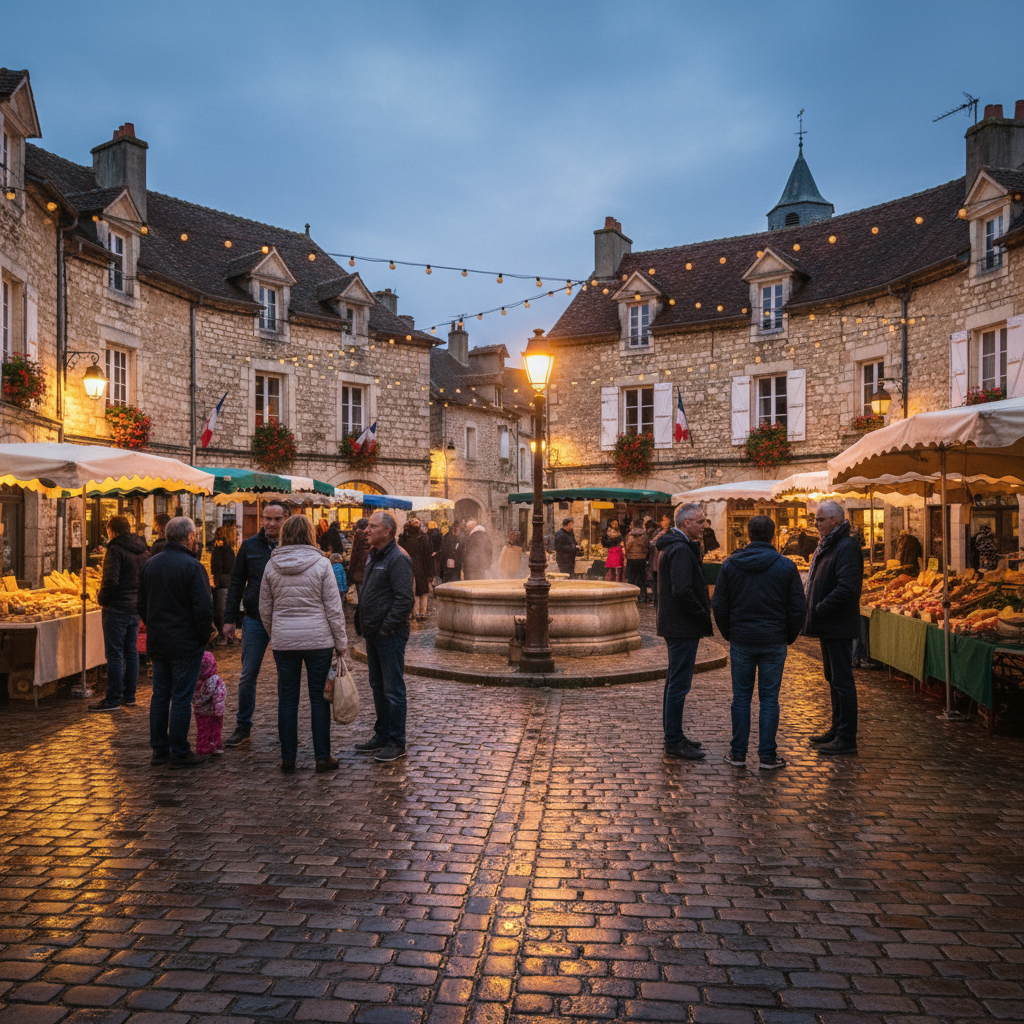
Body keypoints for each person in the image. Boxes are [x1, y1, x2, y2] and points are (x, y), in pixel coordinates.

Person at [712, 515, 807, 770]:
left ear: (748, 535)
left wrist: (729, 633)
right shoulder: (786, 566)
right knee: (769, 699)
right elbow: (798, 607)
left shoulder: (731, 565)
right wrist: (788, 635)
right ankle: (767, 755)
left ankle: (738, 753)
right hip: (773, 639)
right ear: (773, 536)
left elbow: (719, 604)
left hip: (743, 639)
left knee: (741, 698)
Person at [259, 514, 349, 773]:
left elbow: (265, 607)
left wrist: (276, 632)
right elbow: (334, 609)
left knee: (287, 699)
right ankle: (322, 757)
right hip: (318, 641)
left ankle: (288, 758)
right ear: (311, 534)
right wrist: (341, 643)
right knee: (319, 699)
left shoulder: (271, 565)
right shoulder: (322, 565)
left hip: (284, 641)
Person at [138, 516, 214, 768]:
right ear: (190, 537)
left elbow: (141, 604)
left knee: (160, 695)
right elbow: (203, 608)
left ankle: (159, 750)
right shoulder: (192, 566)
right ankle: (179, 751)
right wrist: (203, 636)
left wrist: (154, 626)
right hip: (185, 642)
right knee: (181, 696)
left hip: (159, 640)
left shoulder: (151, 565)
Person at [223, 500, 288, 747]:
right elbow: (236, 582)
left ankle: (286, 729)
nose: (271, 523)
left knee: (286, 677)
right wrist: (229, 619)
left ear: (285, 520)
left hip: (285, 620)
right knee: (248, 674)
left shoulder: (293, 546)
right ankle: (243, 726)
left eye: (276, 519)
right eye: (267, 518)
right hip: (255, 618)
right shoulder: (249, 546)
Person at [803, 499, 863, 756]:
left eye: (820, 520)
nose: (816, 525)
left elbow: (847, 588)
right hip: (828, 625)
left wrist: (820, 607)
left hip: (837, 624)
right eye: (816, 520)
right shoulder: (829, 544)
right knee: (833, 678)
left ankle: (847, 736)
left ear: (835, 521)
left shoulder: (846, 546)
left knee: (842, 680)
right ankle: (837, 728)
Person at [356, 511, 415, 762]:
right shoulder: (374, 555)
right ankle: (381, 735)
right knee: (378, 686)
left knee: (393, 689)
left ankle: (396, 741)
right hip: (374, 633)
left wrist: (386, 626)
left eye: (372, 526)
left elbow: (405, 600)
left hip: (389, 634)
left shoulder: (397, 558)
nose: (366, 530)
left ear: (388, 532)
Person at [656, 503, 713, 761]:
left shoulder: (678, 546)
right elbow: (682, 589)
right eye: (700, 522)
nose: (704, 526)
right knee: (679, 684)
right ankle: (673, 740)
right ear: (687, 523)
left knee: (675, 682)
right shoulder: (679, 549)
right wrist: (702, 611)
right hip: (681, 626)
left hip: (678, 624)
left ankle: (675, 735)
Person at [89, 515, 150, 712]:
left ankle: (113, 698)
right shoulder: (142, 550)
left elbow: (110, 580)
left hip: (116, 608)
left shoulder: (115, 549)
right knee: (131, 652)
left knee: (115, 654)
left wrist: (102, 599)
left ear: (111, 530)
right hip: (134, 608)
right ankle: (129, 695)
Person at [192, 651, 226, 756]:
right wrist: (219, 710)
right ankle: (214, 746)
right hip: (212, 711)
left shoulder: (193, 680)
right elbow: (219, 696)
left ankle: (202, 747)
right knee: (214, 729)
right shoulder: (215, 680)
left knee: (202, 730)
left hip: (199, 711)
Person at [399, 518, 434, 620]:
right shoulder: (423, 538)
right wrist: (430, 573)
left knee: (411, 591)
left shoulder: (403, 539)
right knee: (422, 591)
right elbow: (428, 555)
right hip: (421, 567)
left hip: (407, 567)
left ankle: (413, 613)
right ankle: (422, 613)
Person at [210, 524, 237, 646]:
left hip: (222, 582)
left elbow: (217, 567)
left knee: (221, 610)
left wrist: (216, 580)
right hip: (229, 581)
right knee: (226, 609)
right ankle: (229, 635)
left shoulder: (219, 549)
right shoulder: (229, 549)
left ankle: (224, 636)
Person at [624, 519, 651, 602]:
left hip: (631, 558)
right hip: (642, 558)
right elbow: (647, 545)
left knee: (632, 578)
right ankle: (643, 596)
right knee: (642, 578)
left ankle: (632, 596)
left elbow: (627, 546)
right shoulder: (644, 534)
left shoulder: (630, 534)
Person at [650, 513, 671, 609]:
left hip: (663, 562)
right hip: (656, 562)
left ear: (669, 521)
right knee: (656, 584)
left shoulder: (670, 534)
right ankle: (657, 602)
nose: (662, 522)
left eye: (664, 519)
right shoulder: (658, 532)